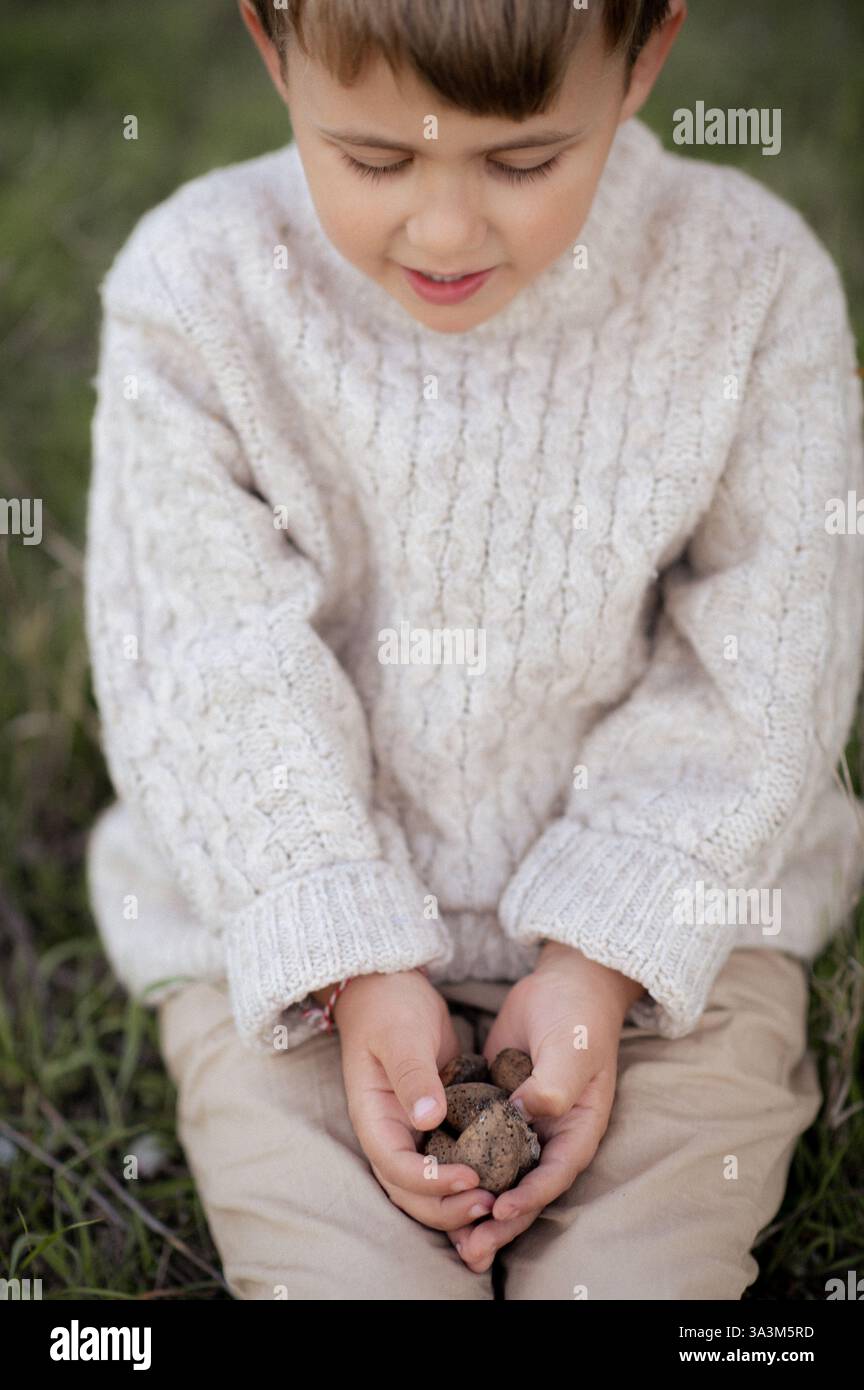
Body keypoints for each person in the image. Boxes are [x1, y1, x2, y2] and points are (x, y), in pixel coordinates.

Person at [83, 0, 864, 1298]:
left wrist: (607, 949)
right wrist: (348, 954)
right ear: (273, 51)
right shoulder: (197, 286)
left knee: (652, 1262)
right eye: (376, 160)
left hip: (678, 915)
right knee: (336, 1265)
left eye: (523, 160)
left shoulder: (754, 284)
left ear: (645, 57)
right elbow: (206, 657)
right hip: (288, 924)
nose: (445, 228)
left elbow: (766, 668)